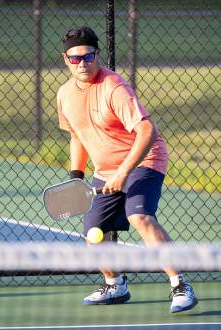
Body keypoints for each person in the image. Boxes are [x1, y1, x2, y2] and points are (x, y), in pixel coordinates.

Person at [56, 26, 198, 313]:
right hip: (106, 170)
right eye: (75, 59)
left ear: (97, 55)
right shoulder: (65, 95)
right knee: (93, 233)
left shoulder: (114, 88)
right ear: (65, 60)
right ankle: (115, 284)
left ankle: (180, 285)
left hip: (145, 159)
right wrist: (76, 177)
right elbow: (77, 137)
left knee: (139, 216)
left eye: (88, 56)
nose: (82, 64)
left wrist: (122, 174)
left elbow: (147, 131)